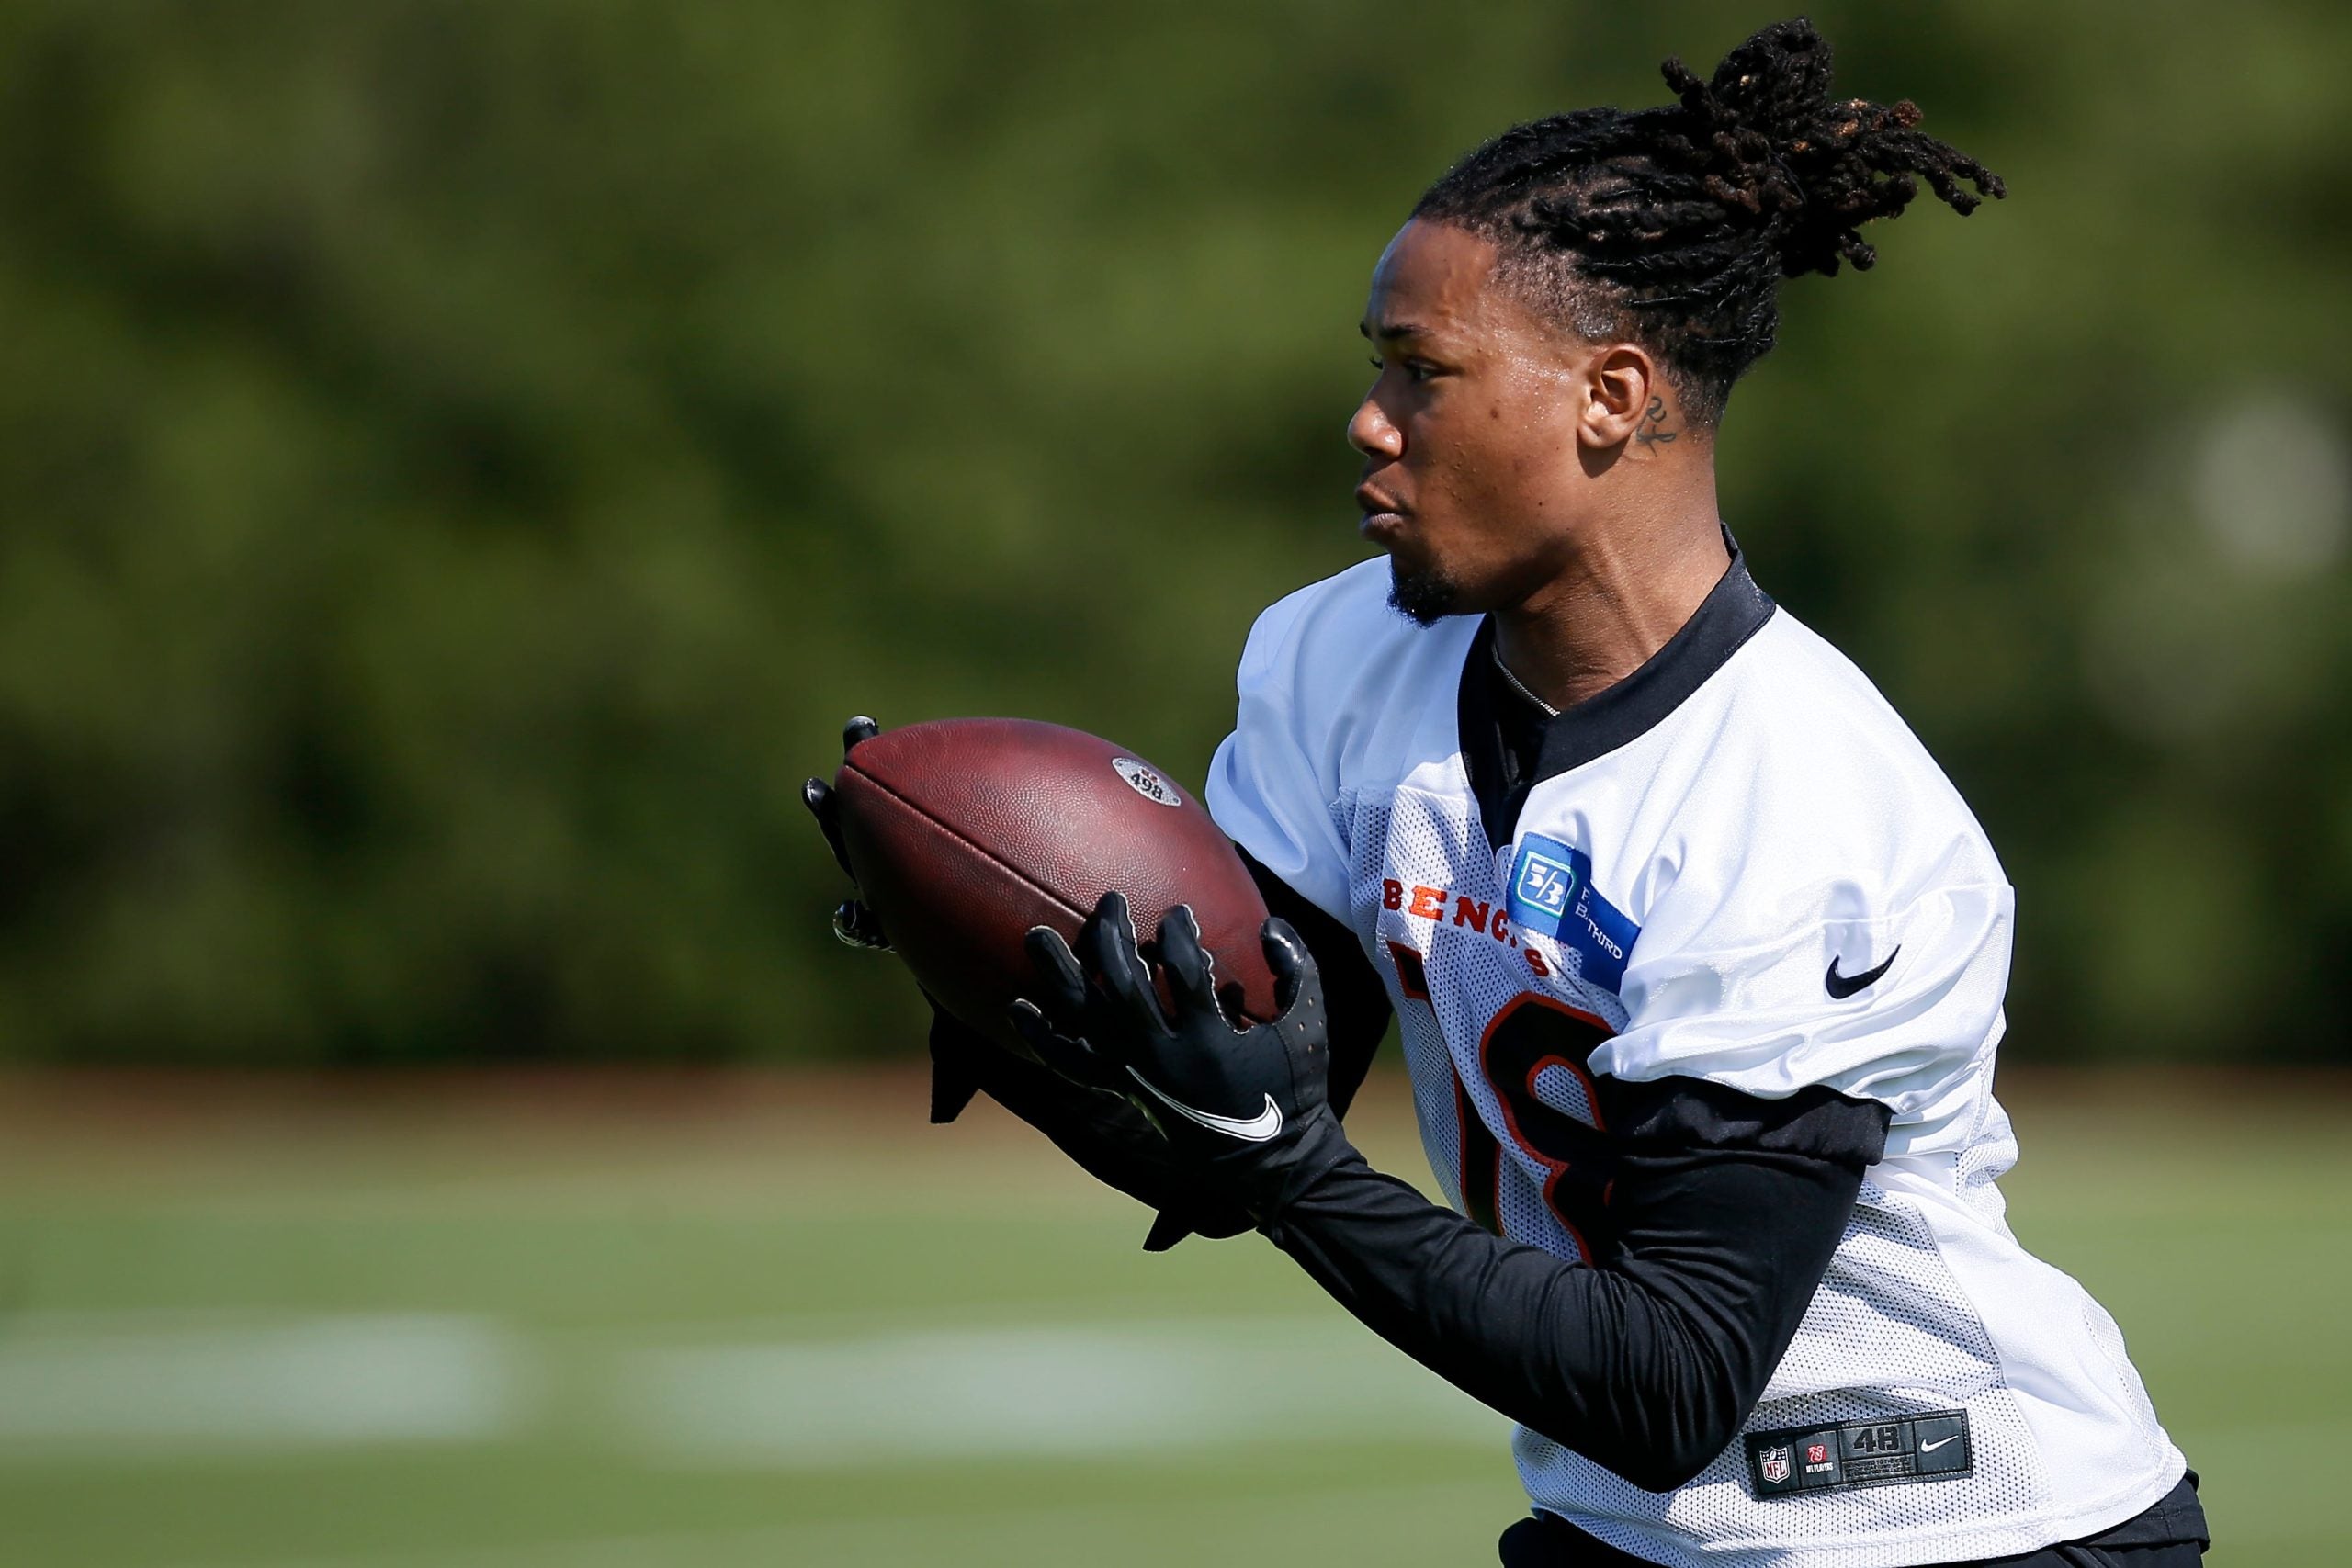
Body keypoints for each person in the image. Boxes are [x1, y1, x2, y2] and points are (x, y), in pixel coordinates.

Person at [808, 18, 2208, 1566]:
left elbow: (1669, 1377)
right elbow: (1240, 1115)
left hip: (1961, 1529)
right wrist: (1028, 996)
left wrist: (1286, 1168)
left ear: (1611, 395)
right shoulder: (1342, 662)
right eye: (1375, 368)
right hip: (1633, 1531)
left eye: (1424, 371)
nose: (1368, 418)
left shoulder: (1805, 806)